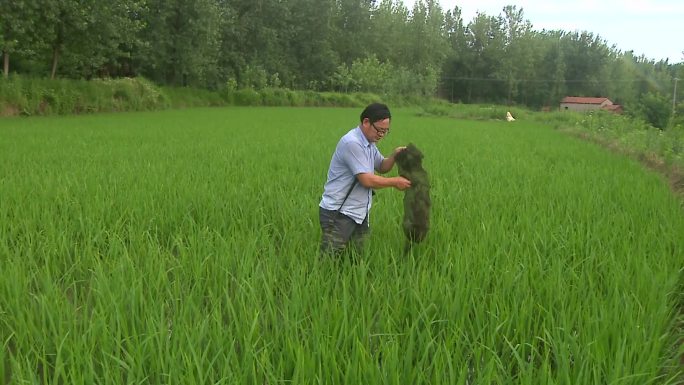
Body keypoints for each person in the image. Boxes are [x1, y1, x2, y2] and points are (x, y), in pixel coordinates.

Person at [319, 102, 411, 257]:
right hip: (339, 212)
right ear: (366, 122)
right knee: (330, 259)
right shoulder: (352, 143)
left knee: (355, 258)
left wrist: (395, 155)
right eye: (379, 130)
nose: (381, 135)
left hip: (359, 212)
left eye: (385, 131)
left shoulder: (369, 143)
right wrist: (395, 182)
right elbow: (366, 180)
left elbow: (382, 166)